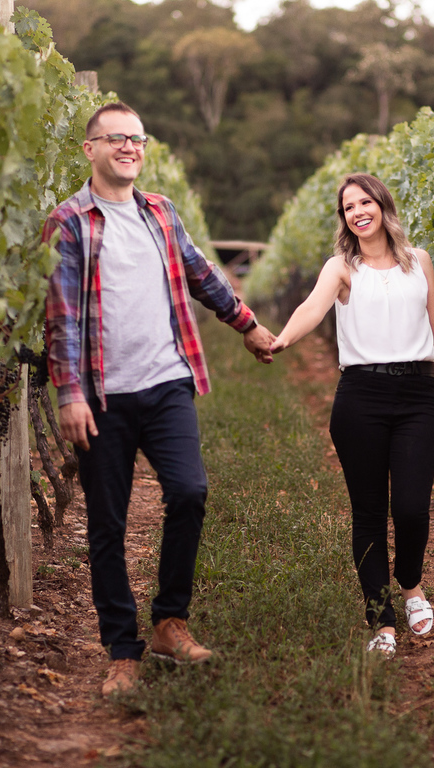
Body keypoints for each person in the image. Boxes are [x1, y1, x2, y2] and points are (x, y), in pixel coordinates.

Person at [42, 102, 276, 696]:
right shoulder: (68, 222)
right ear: (90, 149)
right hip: (101, 395)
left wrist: (246, 324)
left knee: (190, 492)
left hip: (167, 381)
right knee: (107, 524)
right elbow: (60, 319)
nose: (129, 147)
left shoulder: (161, 212)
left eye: (137, 138)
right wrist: (69, 394)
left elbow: (201, 274)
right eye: (115, 138)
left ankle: (171, 622)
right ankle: (123, 650)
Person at [270, 173, 434, 657]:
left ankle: (411, 585)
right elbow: (312, 308)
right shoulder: (342, 268)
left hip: (417, 396)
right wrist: (282, 340)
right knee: (368, 513)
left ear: (383, 206)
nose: (358, 212)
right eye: (349, 207)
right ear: (344, 219)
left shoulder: (419, 261)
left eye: (365, 202)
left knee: (411, 508)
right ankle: (382, 621)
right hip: (361, 397)